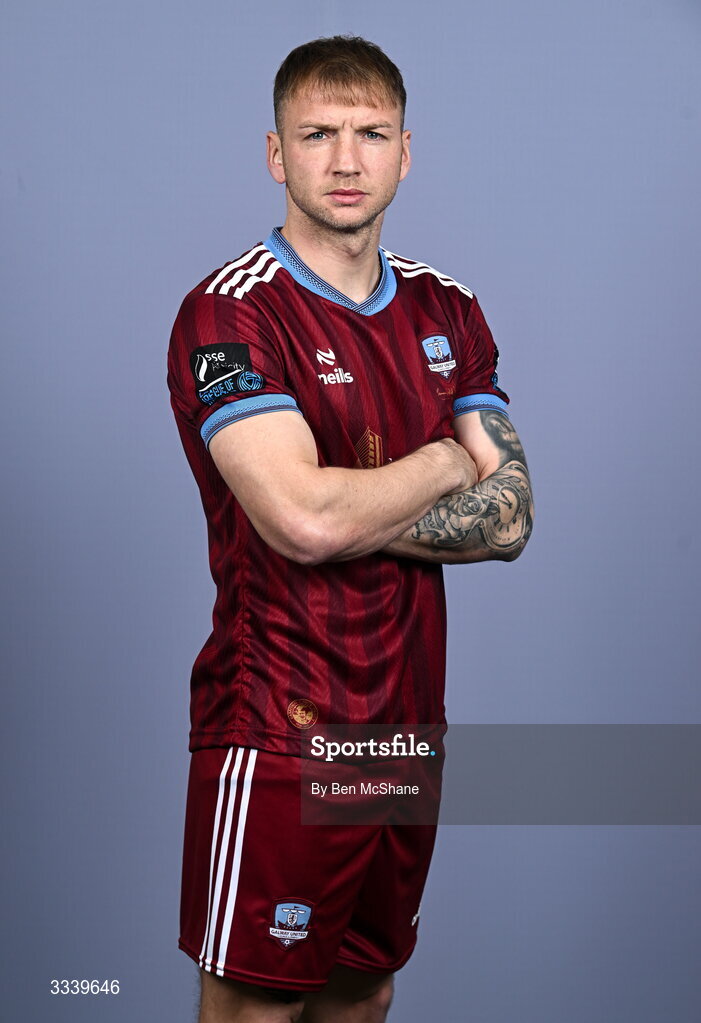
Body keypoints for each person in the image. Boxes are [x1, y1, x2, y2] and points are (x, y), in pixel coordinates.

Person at [167, 34, 533, 1023]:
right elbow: (298, 520)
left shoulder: (447, 309)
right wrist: (443, 462)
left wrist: (342, 505)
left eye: (370, 134)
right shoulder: (230, 314)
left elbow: (508, 519)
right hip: (280, 727)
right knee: (256, 1006)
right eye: (316, 133)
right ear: (274, 153)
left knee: (364, 993)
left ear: (404, 152)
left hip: (406, 729)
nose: (344, 159)